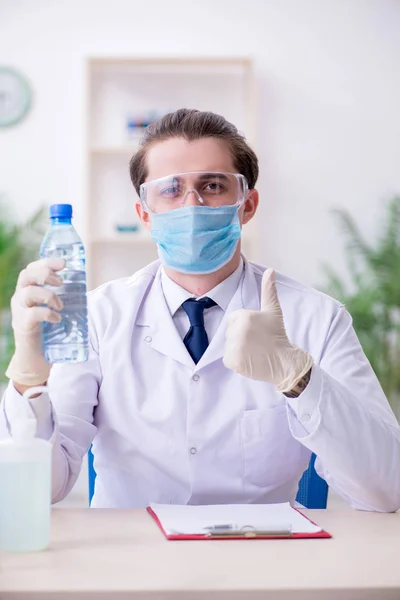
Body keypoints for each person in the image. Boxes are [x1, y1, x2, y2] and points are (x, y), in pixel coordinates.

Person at [2, 108, 400, 511]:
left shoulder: (317, 318)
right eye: (171, 189)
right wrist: (28, 378)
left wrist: (299, 378)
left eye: (212, 185)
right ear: (145, 215)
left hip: (264, 561)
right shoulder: (99, 317)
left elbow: (387, 490)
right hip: (128, 564)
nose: (192, 204)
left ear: (247, 204)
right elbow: (38, 490)